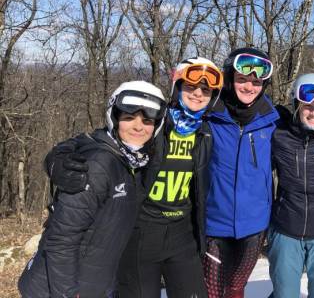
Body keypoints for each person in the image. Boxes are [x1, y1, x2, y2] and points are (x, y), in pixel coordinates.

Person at [18, 81, 166, 298]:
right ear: (114, 119)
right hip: (59, 288)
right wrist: (67, 293)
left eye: (147, 120)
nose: (138, 126)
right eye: (128, 117)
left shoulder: (135, 162)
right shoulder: (98, 164)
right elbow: (61, 240)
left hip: (95, 282)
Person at [116, 58, 223, 298]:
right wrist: (62, 159)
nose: (198, 94)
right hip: (142, 230)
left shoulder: (204, 133)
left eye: (206, 90)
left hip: (182, 233)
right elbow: (104, 143)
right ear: (177, 87)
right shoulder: (154, 123)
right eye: (190, 87)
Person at [203, 47, 279, 298]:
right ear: (229, 78)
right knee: (212, 292)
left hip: (255, 224)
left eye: (257, 82)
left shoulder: (272, 121)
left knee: (236, 288)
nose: (249, 87)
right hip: (214, 222)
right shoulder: (208, 115)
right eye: (243, 80)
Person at [267, 73, 314, 298]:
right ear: (296, 105)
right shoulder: (279, 135)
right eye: (308, 105)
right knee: (284, 293)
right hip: (286, 229)